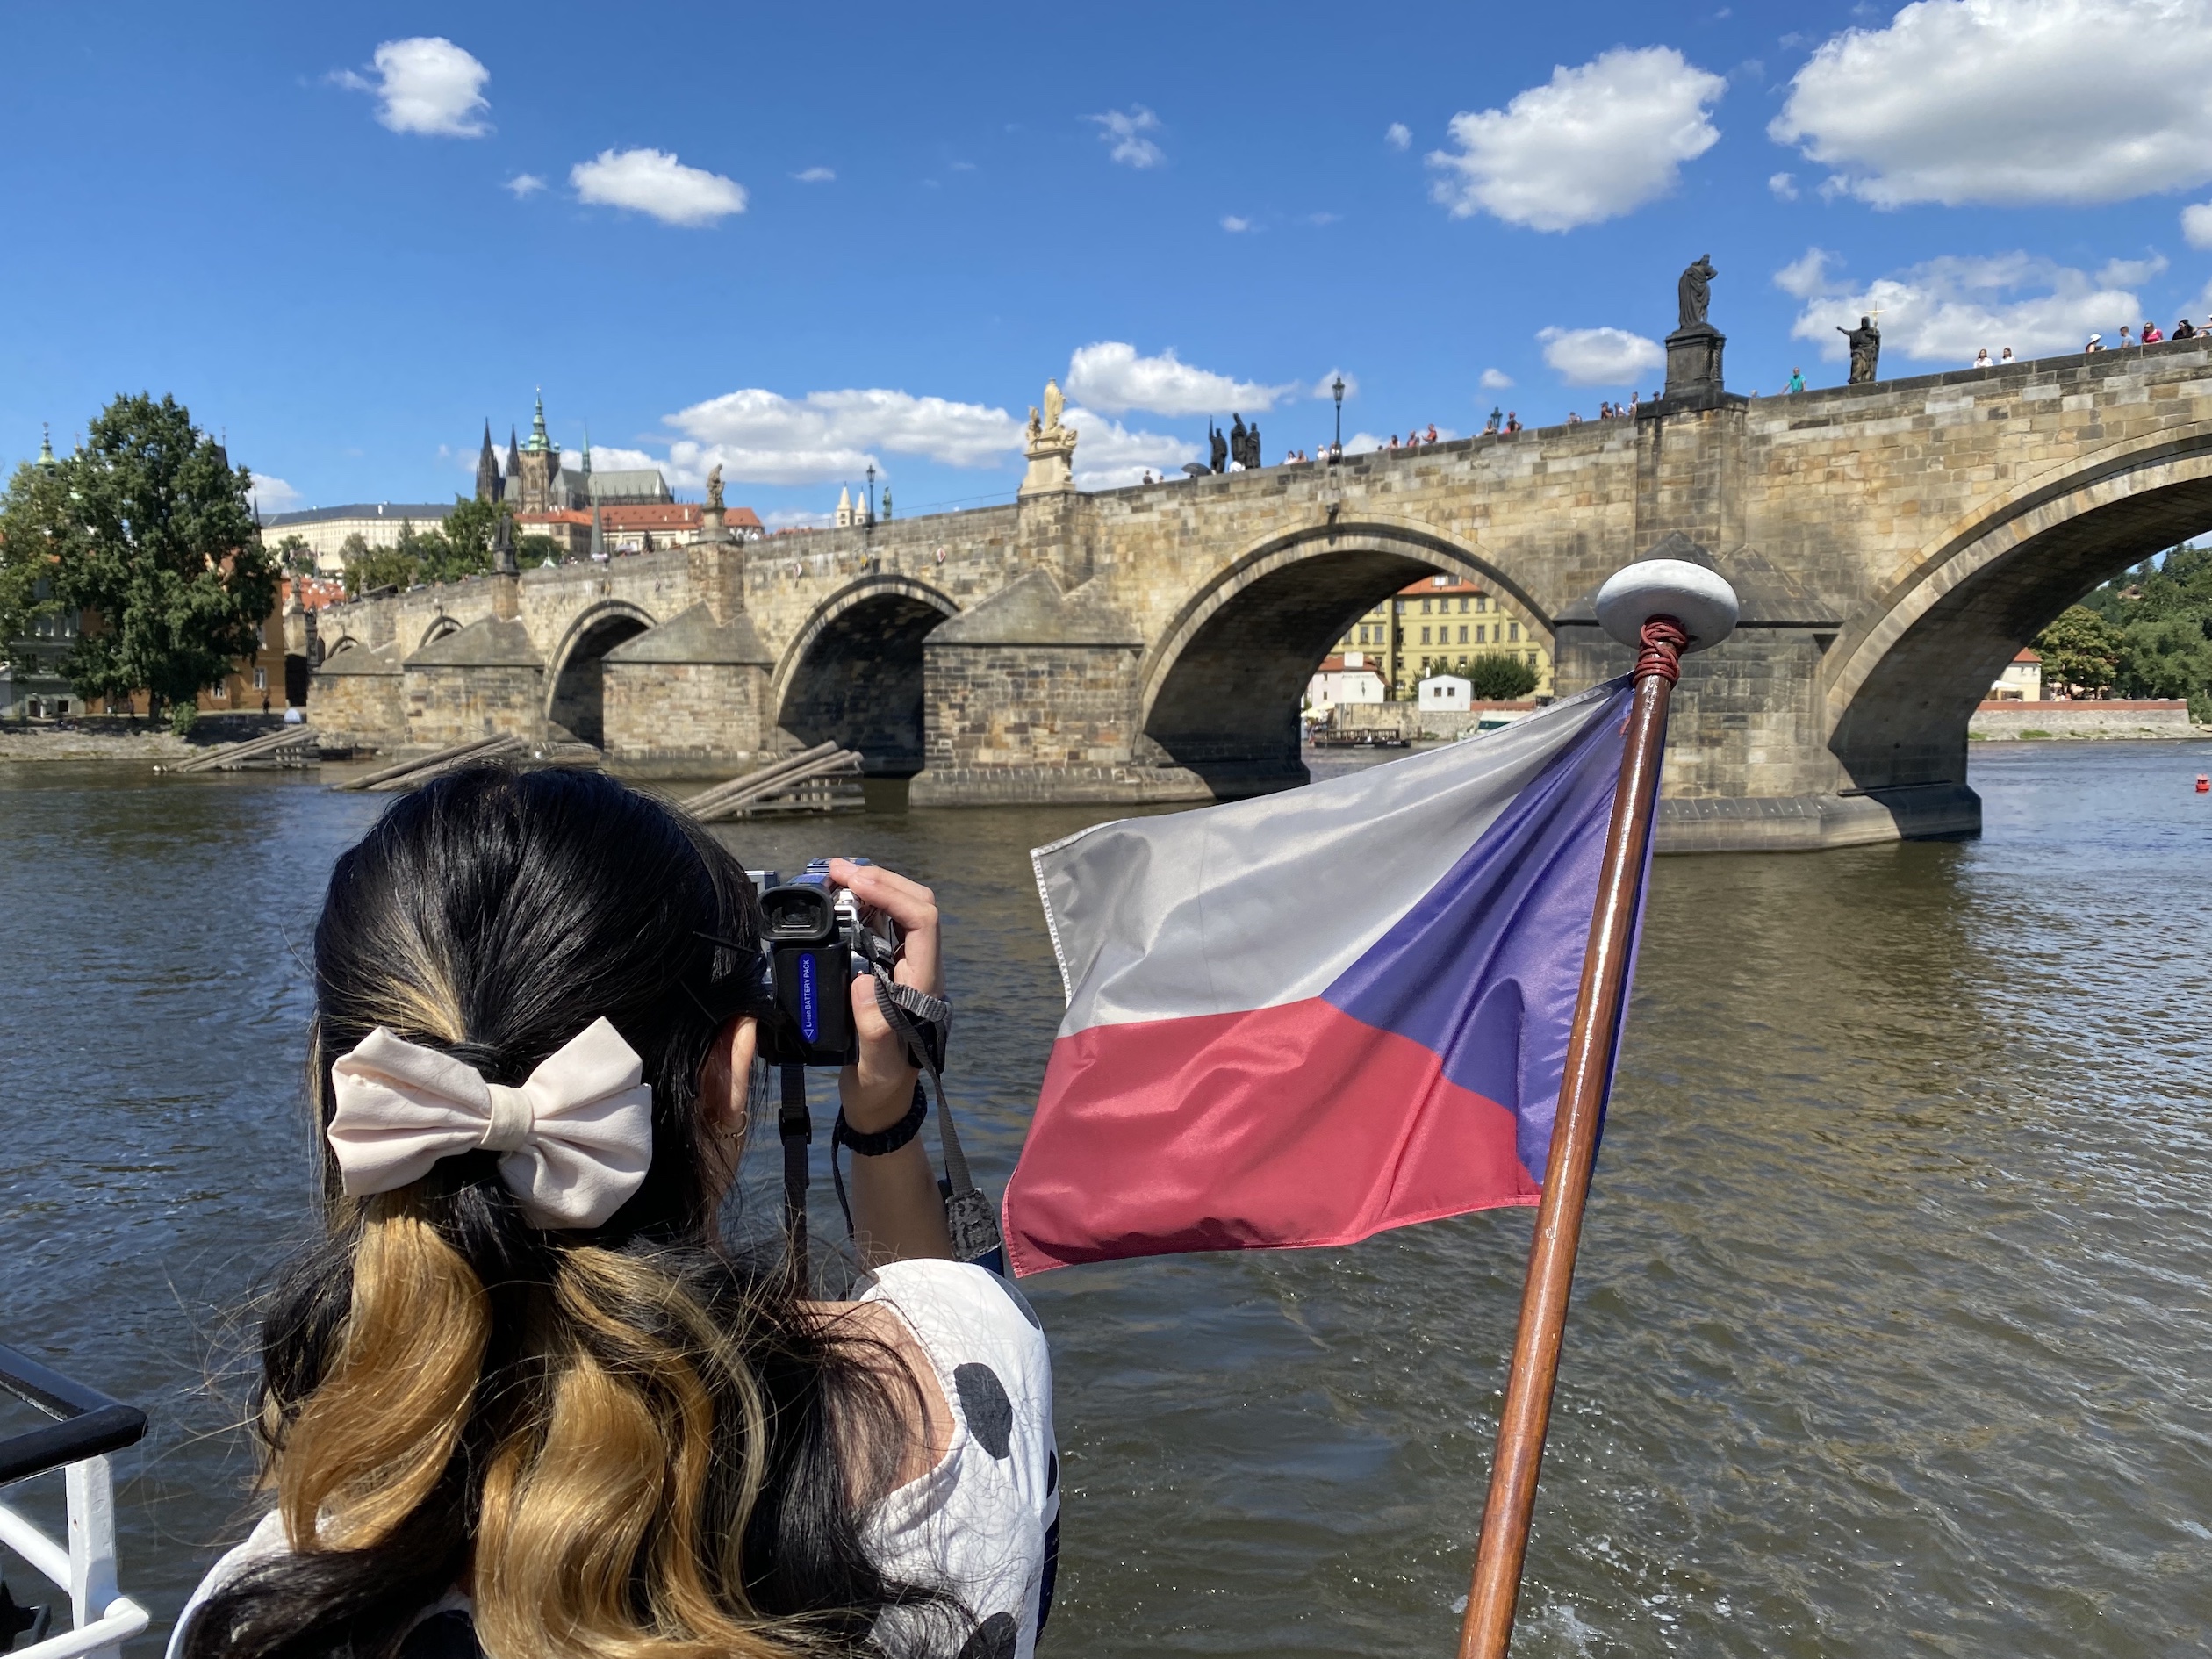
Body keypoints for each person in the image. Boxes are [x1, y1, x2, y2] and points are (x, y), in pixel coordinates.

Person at [168, 767, 1057, 1659]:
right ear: (729, 1078)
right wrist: (885, 1113)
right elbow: (932, 1293)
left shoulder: (261, 1614)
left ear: (348, 1089)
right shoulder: (964, 1400)